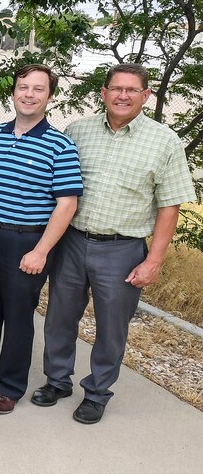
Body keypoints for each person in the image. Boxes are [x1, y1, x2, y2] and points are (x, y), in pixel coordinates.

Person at [38, 63, 195, 424]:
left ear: (145, 96)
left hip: (123, 250)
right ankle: (57, 381)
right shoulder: (78, 131)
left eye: (131, 90)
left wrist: (153, 260)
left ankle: (96, 392)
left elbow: (169, 207)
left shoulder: (164, 141)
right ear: (104, 92)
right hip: (73, 242)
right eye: (116, 89)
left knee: (112, 327)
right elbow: (57, 189)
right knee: (59, 317)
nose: (123, 95)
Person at [0, 64, 81, 415]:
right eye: (23, 87)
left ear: (49, 97)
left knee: (18, 318)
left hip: (27, 243)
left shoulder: (60, 146)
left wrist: (41, 250)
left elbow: (67, 204)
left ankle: (10, 387)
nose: (29, 94)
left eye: (38, 89)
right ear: (13, 92)